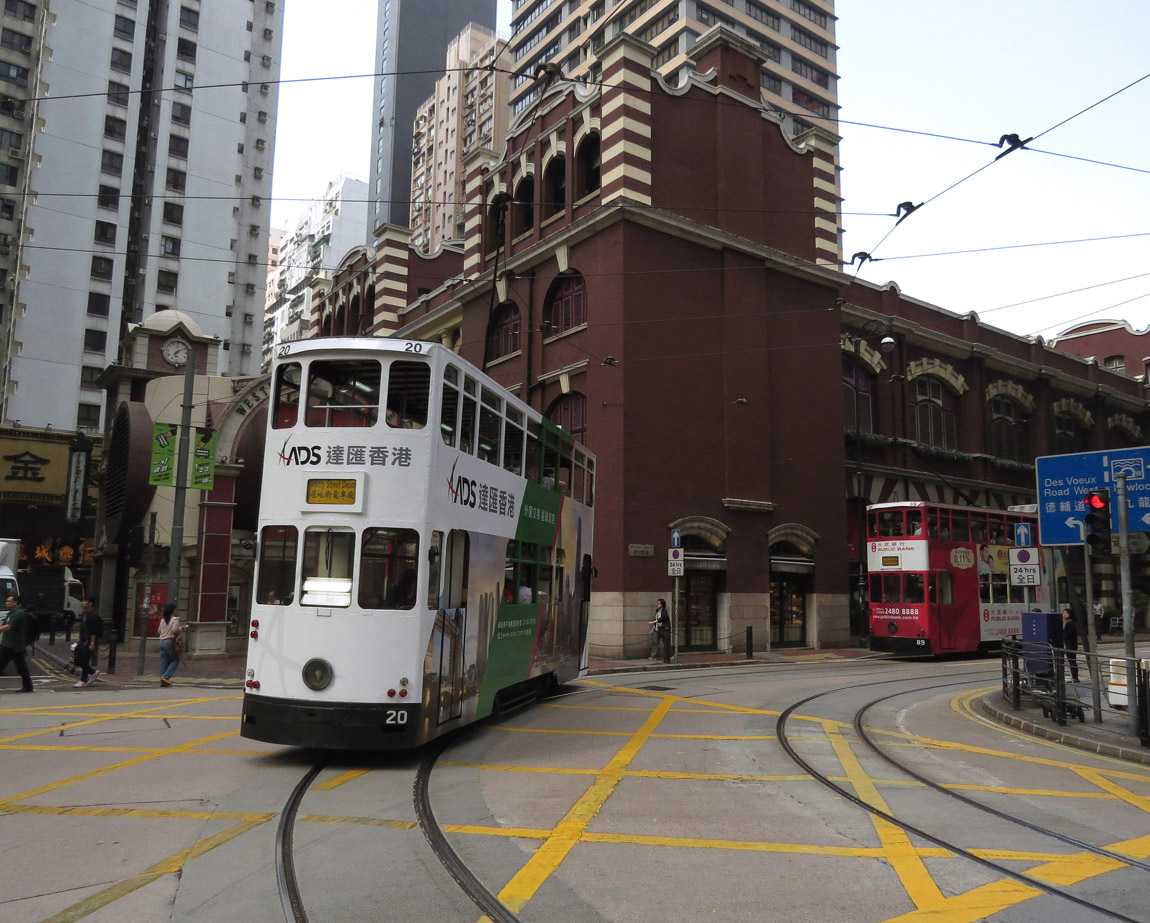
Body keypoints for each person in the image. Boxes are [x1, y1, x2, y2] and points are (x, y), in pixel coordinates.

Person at [0, 595, 34, 692]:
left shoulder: (19, 613)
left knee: (21, 667)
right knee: (20, 667)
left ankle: (28, 686)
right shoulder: (12, 613)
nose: (6, 603)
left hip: (14, 646)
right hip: (9, 645)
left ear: (15, 603)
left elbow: (8, 626)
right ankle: (28, 686)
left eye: (8, 601)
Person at [74, 595, 103, 688]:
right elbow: (83, 627)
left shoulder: (94, 616)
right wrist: (79, 638)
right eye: (82, 601)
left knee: (85, 660)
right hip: (82, 640)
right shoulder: (84, 614)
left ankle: (83, 680)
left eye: (85, 601)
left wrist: (92, 643)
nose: (82, 602)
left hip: (90, 641)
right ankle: (93, 672)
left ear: (90, 603)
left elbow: (94, 631)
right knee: (77, 659)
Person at [157, 603, 183, 687]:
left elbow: (158, 631)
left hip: (161, 641)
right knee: (175, 660)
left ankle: (162, 678)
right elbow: (175, 630)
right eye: (176, 609)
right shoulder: (175, 619)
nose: (176, 611)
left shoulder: (162, 620)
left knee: (165, 660)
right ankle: (166, 676)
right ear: (173, 610)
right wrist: (181, 628)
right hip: (169, 641)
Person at [1061, 607, 1080, 683]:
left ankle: (1075, 678)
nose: (1064, 615)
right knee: (1071, 661)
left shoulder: (1070, 624)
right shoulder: (1069, 623)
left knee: (1072, 661)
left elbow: (1067, 635)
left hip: (1071, 645)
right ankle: (1074, 677)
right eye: (1063, 613)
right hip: (1070, 644)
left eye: (1066, 613)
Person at [652, 598, 672, 664]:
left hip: (664, 629)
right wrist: (655, 625)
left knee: (666, 644)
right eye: (657, 603)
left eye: (659, 603)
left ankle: (668, 658)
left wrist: (655, 621)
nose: (658, 604)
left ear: (662, 604)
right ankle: (653, 656)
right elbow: (657, 618)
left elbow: (663, 618)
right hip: (658, 629)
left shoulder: (664, 611)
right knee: (656, 642)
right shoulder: (657, 611)